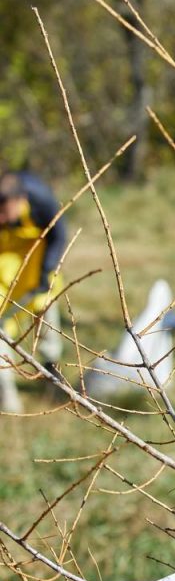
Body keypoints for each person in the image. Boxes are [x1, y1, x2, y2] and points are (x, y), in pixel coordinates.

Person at [0, 170, 66, 413]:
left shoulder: (41, 200)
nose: (2, 218)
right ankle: (5, 391)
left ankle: (51, 373)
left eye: (5, 212)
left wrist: (47, 270)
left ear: (20, 200)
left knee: (46, 316)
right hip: (4, 271)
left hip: (37, 268)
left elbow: (59, 234)